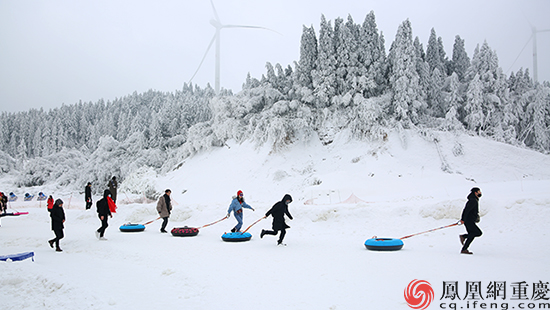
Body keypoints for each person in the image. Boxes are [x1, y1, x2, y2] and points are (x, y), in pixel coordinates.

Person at [459, 187, 483, 254]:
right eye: (479, 191)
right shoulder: (473, 201)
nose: (480, 193)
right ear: (475, 193)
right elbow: (466, 210)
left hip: (470, 220)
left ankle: (464, 249)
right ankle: (464, 237)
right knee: (478, 233)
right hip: (468, 220)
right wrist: (463, 219)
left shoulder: (474, 199)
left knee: (471, 235)